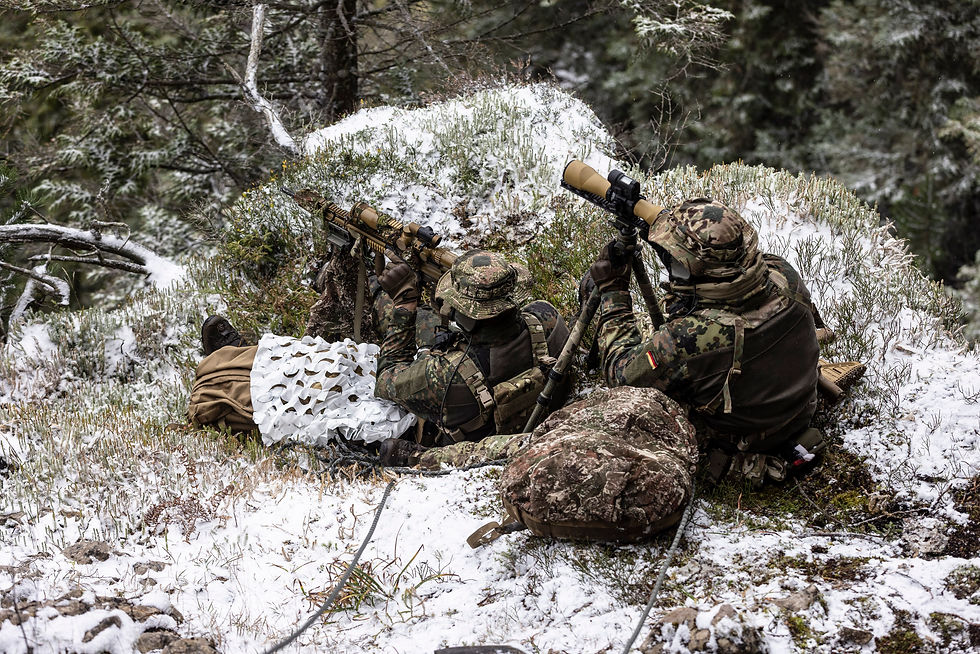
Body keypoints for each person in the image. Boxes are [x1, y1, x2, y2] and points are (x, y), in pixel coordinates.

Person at [589, 198, 831, 484]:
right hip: (799, 407)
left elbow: (620, 376)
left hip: (742, 440)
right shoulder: (782, 274)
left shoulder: (688, 337)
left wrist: (613, 292)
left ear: (691, 267)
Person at [373, 249, 570, 466]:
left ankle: (375, 287)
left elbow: (385, 380)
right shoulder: (546, 317)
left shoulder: (443, 375)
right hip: (540, 421)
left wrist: (404, 306)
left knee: (405, 314)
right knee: (426, 320)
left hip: (468, 446)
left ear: (466, 317)